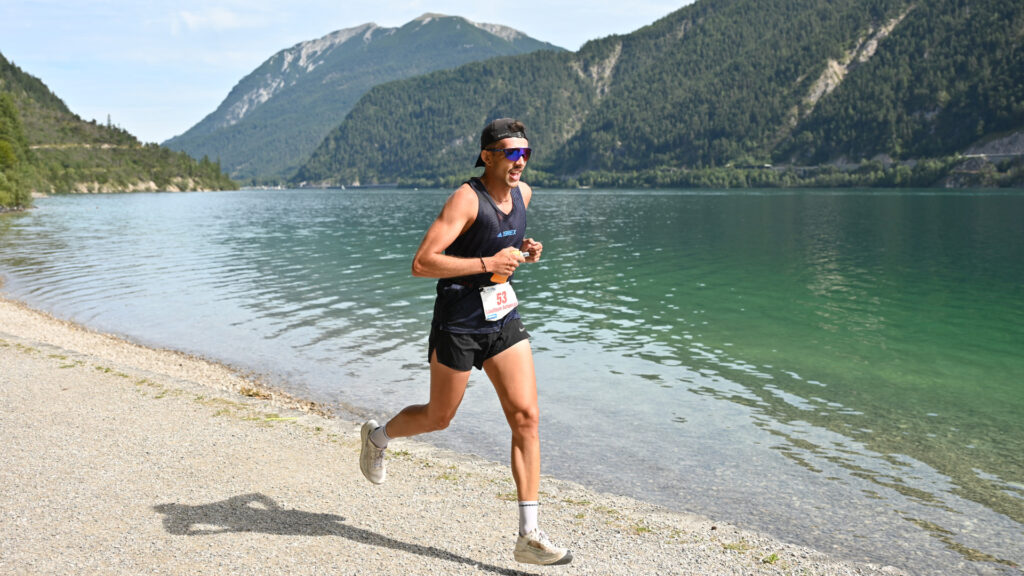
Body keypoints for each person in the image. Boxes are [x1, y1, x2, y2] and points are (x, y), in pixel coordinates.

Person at [359, 118, 572, 566]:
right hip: (458, 323)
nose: (520, 162)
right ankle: (378, 437)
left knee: (527, 417)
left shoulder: (523, 195)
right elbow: (422, 263)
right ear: (488, 155)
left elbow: (504, 244)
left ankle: (528, 535)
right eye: (512, 153)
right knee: (440, 418)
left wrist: (525, 249)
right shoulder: (465, 198)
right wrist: (486, 261)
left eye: (526, 153)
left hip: (502, 319)